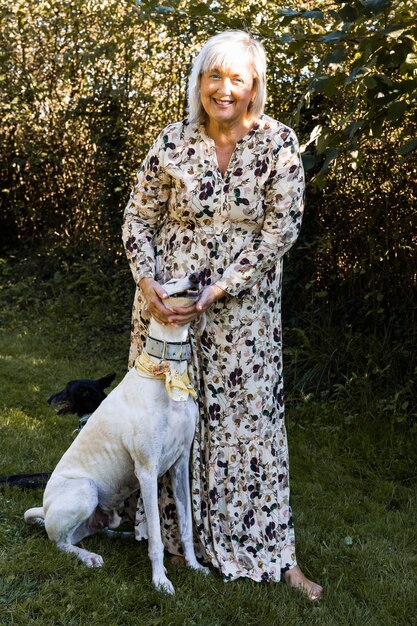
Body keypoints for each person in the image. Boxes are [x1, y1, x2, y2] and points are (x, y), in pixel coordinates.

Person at [122, 30, 323, 601]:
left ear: (255, 86)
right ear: (200, 82)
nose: (224, 89)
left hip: (242, 317)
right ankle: (173, 538)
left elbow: (280, 231)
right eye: (214, 76)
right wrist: (148, 283)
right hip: (167, 311)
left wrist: (221, 288)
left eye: (237, 78)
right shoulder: (173, 141)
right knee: (164, 420)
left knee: (246, 427)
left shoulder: (279, 144)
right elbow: (137, 219)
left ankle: (271, 552)